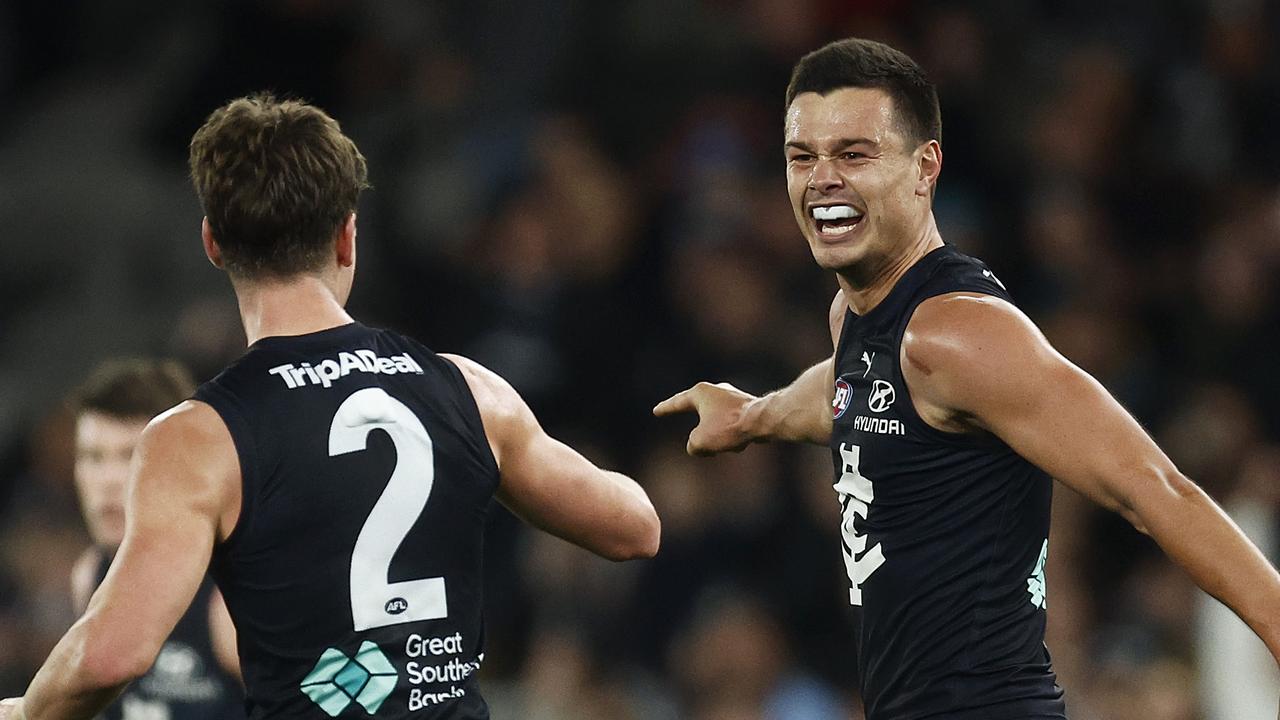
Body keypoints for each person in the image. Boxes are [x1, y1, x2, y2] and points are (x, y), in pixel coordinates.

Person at [654, 38, 1280, 719]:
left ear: (925, 168)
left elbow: (1153, 489)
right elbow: (850, 385)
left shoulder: (960, 336)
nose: (822, 178)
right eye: (802, 157)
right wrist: (756, 416)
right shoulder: (861, 319)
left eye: (855, 154)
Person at [1, 93, 660, 720]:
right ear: (347, 235)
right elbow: (634, 527)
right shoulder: (466, 390)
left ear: (213, 244)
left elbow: (113, 655)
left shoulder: (199, 438)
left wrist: (30, 710)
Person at [68, 359, 243, 720]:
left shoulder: (225, 601)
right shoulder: (89, 577)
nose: (108, 479)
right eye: (92, 457)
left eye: (130, 455)